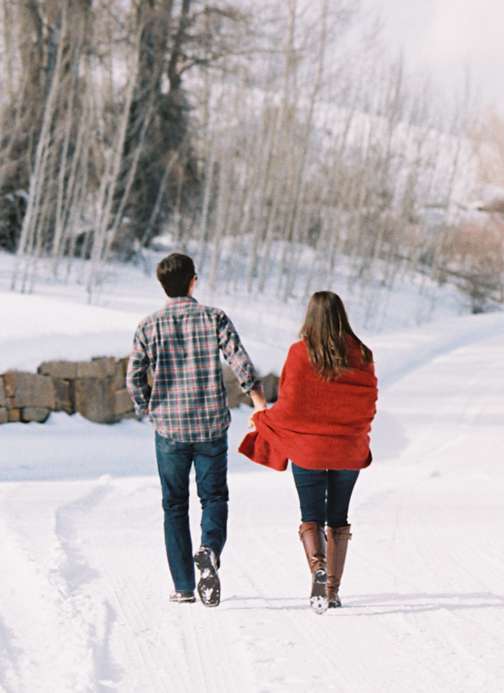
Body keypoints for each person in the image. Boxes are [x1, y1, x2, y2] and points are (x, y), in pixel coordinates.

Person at [128, 252, 265, 607]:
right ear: (193, 281)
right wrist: (258, 401)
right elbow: (240, 361)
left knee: (174, 505)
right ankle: (209, 551)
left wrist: (149, 409)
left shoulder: (148, 326)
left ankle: (184, 586)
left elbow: (133, 377)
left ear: (163, 285)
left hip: (169, 430)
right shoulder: (213, 317)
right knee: (214, 497)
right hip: (210, 427)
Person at [238, 291, 378, 612]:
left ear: (310, 317)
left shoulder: (299, 353)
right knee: (338, 517)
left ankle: (317, 567)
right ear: (342, 316)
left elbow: (289, 405)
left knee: (310, 515)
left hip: (307, 449)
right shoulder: (362, 354)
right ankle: (332, 590)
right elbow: (368, 404)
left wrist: (263, 419)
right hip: (347, 449)